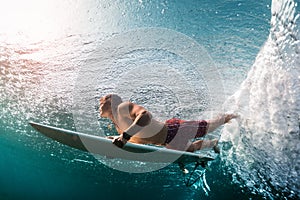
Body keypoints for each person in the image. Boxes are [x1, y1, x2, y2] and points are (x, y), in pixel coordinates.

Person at [99, 94, 236, 153]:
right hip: (167, 142)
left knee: (210, 126)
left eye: (103, 99)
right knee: (191, 149)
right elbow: (134, 139)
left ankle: (234, 115)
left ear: (112, 101)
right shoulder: (118, 126)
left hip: (175, 130)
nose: (100, 101)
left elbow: (145, 116)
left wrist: (125, 137)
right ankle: (213, 143)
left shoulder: (122, 108)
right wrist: (114, 144)